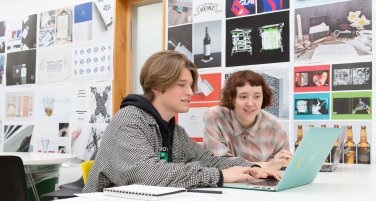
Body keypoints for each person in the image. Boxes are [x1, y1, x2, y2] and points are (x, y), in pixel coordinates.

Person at [83, 51, 280, 193]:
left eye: (190, 85)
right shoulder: (129, 120)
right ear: (157, 86)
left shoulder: (174, 131)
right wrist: (218, 176)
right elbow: (147, 174)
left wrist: (253, 168)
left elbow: (209, 160)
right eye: (181, 85)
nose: (190, 92)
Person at [203, 70, 291, 171]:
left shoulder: (275, 128)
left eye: (257, 96)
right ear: (232, 98)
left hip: (262, 183)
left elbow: (282, 166)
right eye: (243, 97)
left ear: (263, 98)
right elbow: (217, 163)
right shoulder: (214, 117)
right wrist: (267, 165)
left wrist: (280, 163)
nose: (250, 103)